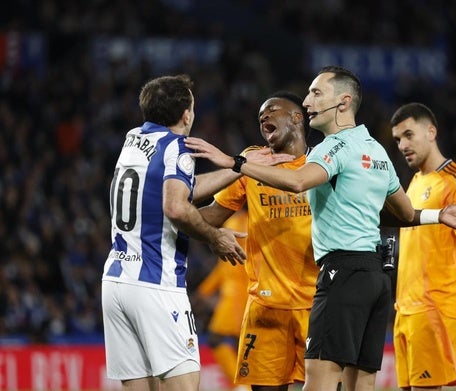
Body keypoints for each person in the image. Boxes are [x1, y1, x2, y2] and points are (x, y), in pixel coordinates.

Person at [185, 66, 456, 391]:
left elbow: (298, 182)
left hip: (337, 279)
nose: (309, 100)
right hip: (358, 281)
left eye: (316, 93)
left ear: (341, 103)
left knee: (321, 384)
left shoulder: (330, 149)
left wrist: (237, 164)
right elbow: (401, 212)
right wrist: (437, 216)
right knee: (360, 385)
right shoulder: (375, 150)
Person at [101, 74, 291, 391]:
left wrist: (237, 166)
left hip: (116, 283)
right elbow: (176, 206)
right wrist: (215, 237)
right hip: (156, 284)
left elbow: (180, 190)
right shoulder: (177, 148)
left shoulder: (133, 139)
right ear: (187, 114)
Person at [195, 90, 319, 391]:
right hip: (265, 307)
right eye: (260, 114)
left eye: (272, 109)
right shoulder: (252, 163)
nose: (264, 116)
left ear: (296, 117)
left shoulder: (323, 162)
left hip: (318, 305)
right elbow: (211, 216)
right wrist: (202, 229)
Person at [389, 102, 456, 390]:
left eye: (408, 134)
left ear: (431, 132)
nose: (403, 145)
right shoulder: (415, 182)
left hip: (435, 309)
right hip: (405, 310)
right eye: (397, 139)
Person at [195, 210, 250, 391]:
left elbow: (235, 262)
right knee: (237, 344)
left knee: (217, 338)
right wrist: (205, 289)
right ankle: (243, 384)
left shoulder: (241, 224)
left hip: (240, 293)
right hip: (239, 292)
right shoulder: (238, 221)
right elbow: (223, 266)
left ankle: (241, 386)